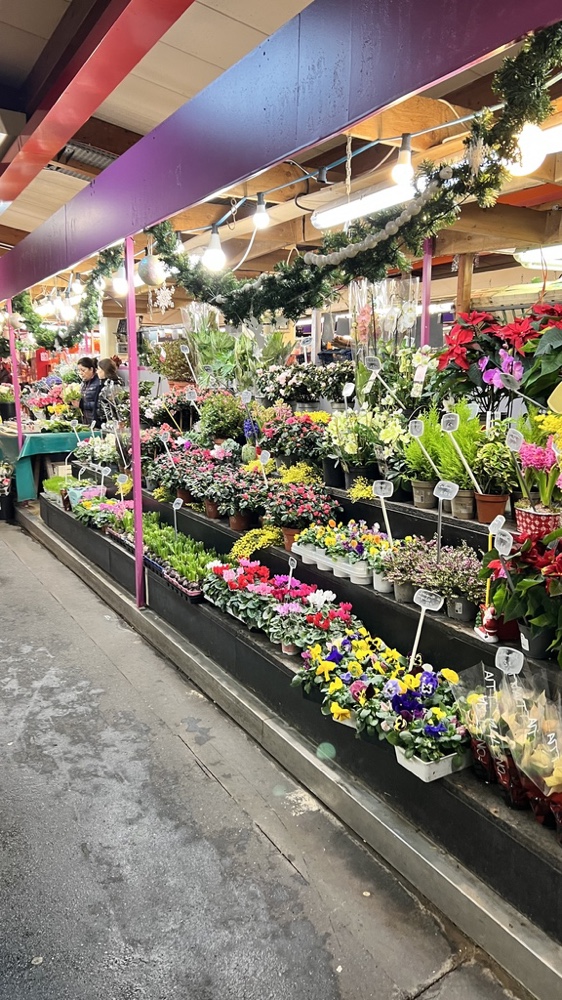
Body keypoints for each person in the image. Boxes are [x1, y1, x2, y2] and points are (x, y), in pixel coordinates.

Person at [96, 357, 123, 425]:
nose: (97, 371)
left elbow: (104, 410)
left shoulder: (108, 388)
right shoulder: (117, 384)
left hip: (109, 424)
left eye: (99, 369)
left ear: (104, 371)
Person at [77, 357, 101, 426]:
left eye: (83, 370)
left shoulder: (97, 383)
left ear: (91, 369)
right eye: (79, 371)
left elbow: (99, 404)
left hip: (95, 423)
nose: (81, 373)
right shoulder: (84, 383)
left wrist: (81, 405)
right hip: (86, 422)